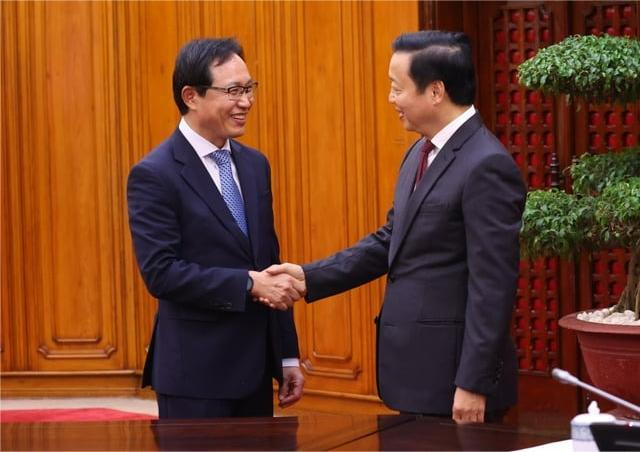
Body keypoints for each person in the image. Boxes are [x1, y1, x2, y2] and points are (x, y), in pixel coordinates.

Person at [266, 31, 526, 423]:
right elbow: (392, 240)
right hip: (415, 376)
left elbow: (493, 286)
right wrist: (308, 277)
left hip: (453, 385)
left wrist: (473, 383)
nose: (391, 99)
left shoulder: (486, 164)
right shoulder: (420, 151)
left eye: (396, 87)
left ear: (435, 91)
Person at [127, 37, 305, 419]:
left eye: (249, 88)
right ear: (191, 96)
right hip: (195, 378)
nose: (246, 101)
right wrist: (247, 284)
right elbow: (162, 273)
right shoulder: (154, 174)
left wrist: (287, 354)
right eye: (233, 91)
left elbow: (269, 262)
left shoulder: (256, 165)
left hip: (256, 372)